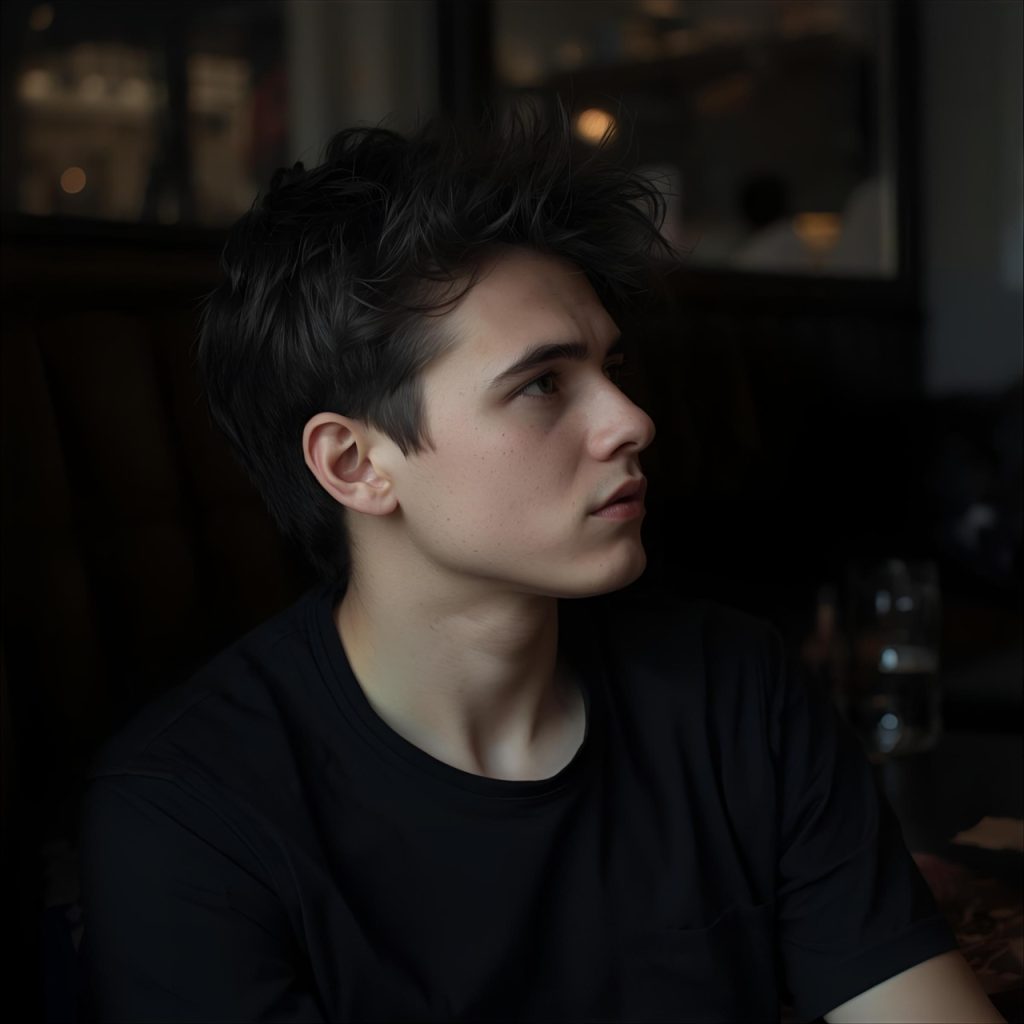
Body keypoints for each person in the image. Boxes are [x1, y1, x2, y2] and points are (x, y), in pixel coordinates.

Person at [77, 101, 1004, 1023]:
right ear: (356, 465)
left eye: (610, 366)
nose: (630, 420)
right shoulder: (189, 818)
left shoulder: (737, 696)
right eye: (542, 385)